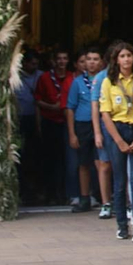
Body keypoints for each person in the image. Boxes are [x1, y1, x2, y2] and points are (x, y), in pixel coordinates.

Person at [99, 41, 133, 241]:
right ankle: (121, 225)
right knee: (120, 181)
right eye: (122, 56)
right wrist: (119, 141)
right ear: (116, 60)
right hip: (117, 128)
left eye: (129, 55)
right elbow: (105, 114)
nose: (126, 59)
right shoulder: (108, 82)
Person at [65, 47, 105, 212]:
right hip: (83, 125)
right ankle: (84, 198)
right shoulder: (77, 82)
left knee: (102, 162)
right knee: (83, 163)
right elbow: (70, 108)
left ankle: (104, 198)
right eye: (89, 59)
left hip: (102, 124)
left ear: (101, 62)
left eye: (95, 59)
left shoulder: (105, 79)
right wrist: (72, 134)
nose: (92, 62)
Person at [34, 49, 75, 205]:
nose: (62, 61)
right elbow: (37, 100)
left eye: (65, 58)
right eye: (59, 58)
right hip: (50, 121)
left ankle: (66, 193)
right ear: (54, 60)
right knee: (50, 159)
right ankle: (50, 194)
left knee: (67, 160)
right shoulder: (45, 78)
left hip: (67, 123)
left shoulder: (72, 77)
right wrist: (52, 107)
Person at [14, 50, 42, 204]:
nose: (34, 66)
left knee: (34, 155)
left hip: (36, 118)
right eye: (32, 63)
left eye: (36, 64)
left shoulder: (41, 76)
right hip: (20, 118)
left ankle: (34, 189)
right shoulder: (15, 77)